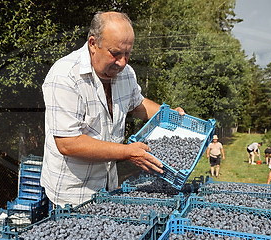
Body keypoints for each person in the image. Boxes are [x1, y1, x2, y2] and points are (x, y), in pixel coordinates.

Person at [41, 11, 185, 207]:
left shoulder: (126, 74)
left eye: (128, 53)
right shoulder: (65, 77)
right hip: (72, 195)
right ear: (93, 44)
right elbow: (68, 143)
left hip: (108, 186)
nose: (123, 62)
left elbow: (137, 104)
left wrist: (171, 117)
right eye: (115, 53)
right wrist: (127, 152)